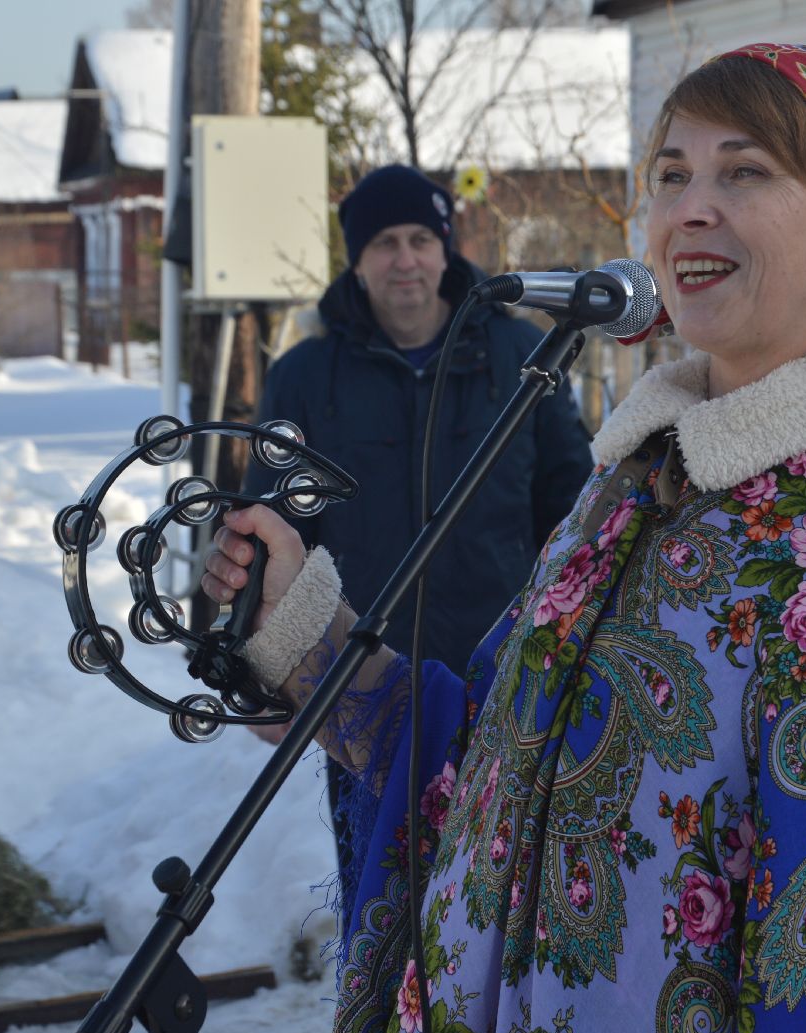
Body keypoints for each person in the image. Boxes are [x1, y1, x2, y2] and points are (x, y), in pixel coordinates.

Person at [208, 44, 806, 1033]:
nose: (689, 208)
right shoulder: (629, 490)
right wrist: (304, 633)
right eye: (671, 174)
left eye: (744, 171)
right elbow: (491, 772)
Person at [240, 163, 594, 910]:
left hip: (501, 679)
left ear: (444, 247)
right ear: (357, 261)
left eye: (420, 239)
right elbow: (269, 526)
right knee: (381, 897)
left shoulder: (518, 355)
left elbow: (574, 507)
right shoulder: (306, 376)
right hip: (359, 682)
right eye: (384, 244)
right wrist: (266, 675)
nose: (405, 259)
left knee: (502, 897)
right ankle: (377, 1028)